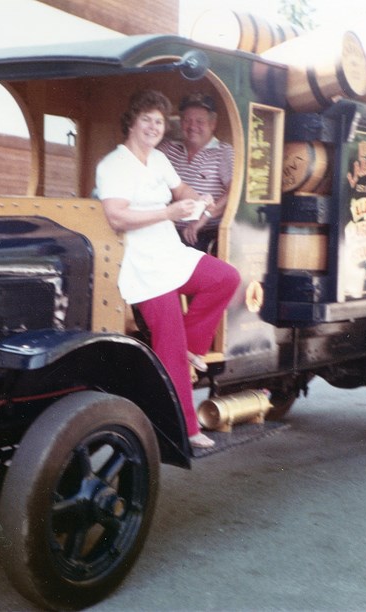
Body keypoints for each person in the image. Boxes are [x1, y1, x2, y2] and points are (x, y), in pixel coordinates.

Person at [96, 90, 240, 451]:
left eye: (159, 121)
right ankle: (184, 428)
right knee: (168, 346)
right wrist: (169, 214)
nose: (153, 127)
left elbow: (182, 188)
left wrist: (199, 200)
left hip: (168, 251)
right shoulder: (114, 164)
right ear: (132, 121)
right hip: (138, 262)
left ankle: (192, 347)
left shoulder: (159, 159)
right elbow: (116, 217)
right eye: (146, 119)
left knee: (225, 278)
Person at [158, 92, 234, 252]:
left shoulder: (223, 152)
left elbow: (234, 192)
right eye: (187, 120)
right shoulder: (167, 149)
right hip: (165, 230)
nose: (192, 127)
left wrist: (204, 217)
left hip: (203, 235)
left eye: (200, 121)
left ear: (213, 124)